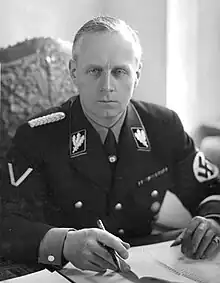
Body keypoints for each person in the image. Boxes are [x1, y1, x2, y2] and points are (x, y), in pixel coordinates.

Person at [1, 15, 220, 275]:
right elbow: (6, 222)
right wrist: (64, 244)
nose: (107, 86)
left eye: (119, 72)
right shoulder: (37, 135)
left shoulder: (163, 126)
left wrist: (212, 221)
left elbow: (211, 190)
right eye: (94, 71)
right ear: (73, 72)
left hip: (144, 265)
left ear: (136, 75)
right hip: (65, 271)